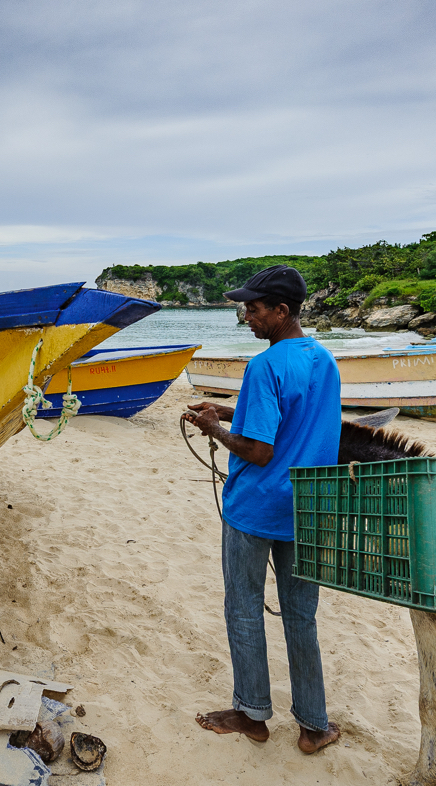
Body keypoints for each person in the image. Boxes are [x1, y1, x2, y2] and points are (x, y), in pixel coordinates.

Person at [185, 264, 342, 755]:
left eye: (253, 308)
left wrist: (214, 431)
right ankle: (315, 726)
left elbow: (258, 451)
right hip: (307, 509)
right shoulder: (324, 360)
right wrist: (226, 412)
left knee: (244, 610)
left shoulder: (265, 364)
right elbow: (294, 419)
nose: (245, 316)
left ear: (281, 310)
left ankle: (251, 714)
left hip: (256, 509)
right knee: (301, 617)